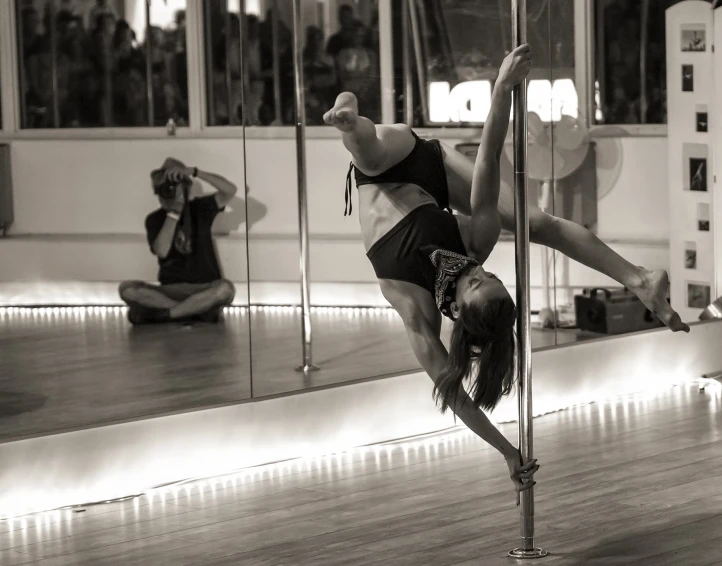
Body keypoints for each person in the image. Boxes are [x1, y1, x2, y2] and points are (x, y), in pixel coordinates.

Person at [324, 44, 689, 502]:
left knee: (369, 154)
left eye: (475, 283)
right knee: (535, 222)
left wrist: (507, 451)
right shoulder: (477, 244)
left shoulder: (415, 309)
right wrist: (502, 89)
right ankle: (639, 279)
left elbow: (454, 394)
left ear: (456, 308)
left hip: (380, 176)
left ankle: (348, 120)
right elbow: (487, 158)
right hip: (426, 164)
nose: (478, 271)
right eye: (489, 275)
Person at [119, 158, 236, 325]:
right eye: (162, 188)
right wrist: (173, 213)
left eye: (173, 187)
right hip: (170, 290)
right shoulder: (154, 219)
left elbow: (230, 190)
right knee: (127, 289)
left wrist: (195, 172)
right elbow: (162, 251)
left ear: (185, 187)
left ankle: (166, 314)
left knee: (225, 289)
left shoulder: (200, 208)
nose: (167, 192)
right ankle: (194, 311)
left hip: (205, 287)